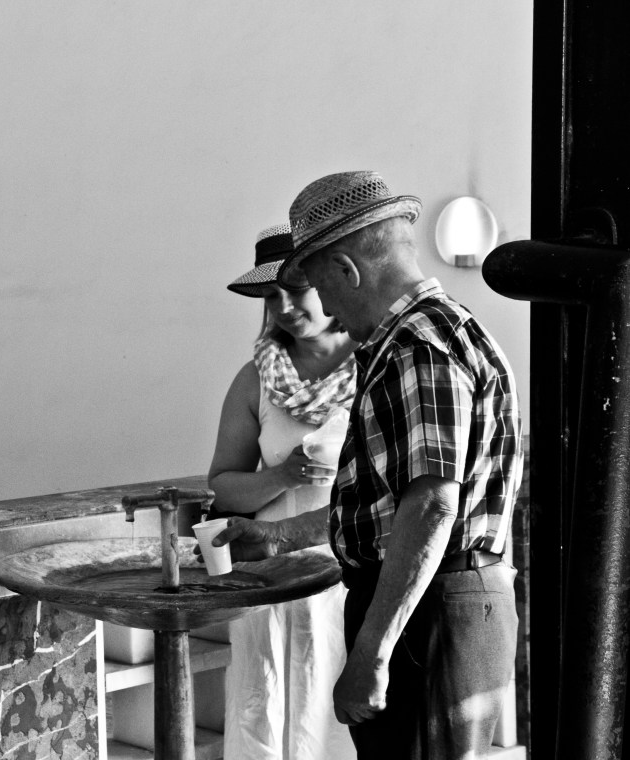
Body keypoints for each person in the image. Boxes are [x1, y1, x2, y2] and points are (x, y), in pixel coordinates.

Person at [209, 171, 522, 760]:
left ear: (348, 271)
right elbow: (390, 503)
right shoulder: (437, 331)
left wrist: (373, 653)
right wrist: (277, 535)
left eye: (317, 287)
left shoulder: (415, 346)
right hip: (437, 601)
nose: (322, 307)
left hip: (426, 612)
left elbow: (430, 503)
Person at [209, 223, 357, 760]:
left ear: (332, 282)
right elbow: (223, 485)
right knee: (265, 707)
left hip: (348, 572)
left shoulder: (376, 366)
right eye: (272, 295)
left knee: (338, 710)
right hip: (267, 576)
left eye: (298, 288)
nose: (286, 305)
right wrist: (283, 476)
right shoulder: (256, 378)